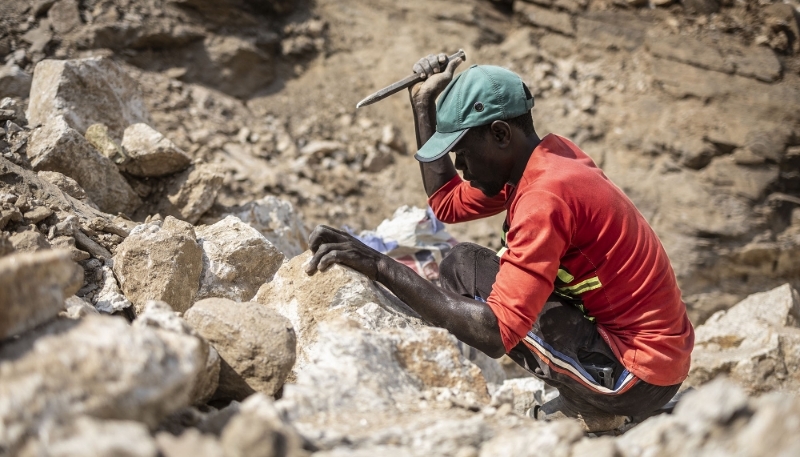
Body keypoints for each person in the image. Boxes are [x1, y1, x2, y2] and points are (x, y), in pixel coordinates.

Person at [304, 53, 694, 432]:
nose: (459, 166)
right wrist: (423, 103)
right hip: (649, 355)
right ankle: (588, 396)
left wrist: (377, 264)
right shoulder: (544, 159)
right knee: (462, 264)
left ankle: (603, 406)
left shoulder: (546, 197)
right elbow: (447, 203)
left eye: (462, 152)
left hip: (637, 375)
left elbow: (494, 334)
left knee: (484, 303)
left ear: (500, 134)